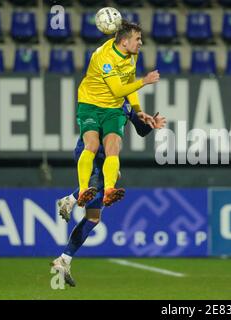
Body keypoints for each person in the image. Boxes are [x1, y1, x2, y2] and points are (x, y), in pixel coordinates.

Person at [51, 104, 167, 287]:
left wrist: (150, 125)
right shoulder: (101, 97)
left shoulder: (126, 105)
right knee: (107, 177)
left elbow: (140, 129)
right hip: (89, 152)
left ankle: (64, 259)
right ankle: (69, 200)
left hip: (105, 159)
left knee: (93, 218)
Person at [76, 19, 159, 209]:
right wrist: (144, 81)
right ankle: (82, 191)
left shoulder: (131, 55)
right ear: (124, 42)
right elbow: (117, 90)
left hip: (113, 109)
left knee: (113, 145)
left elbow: (128, 82)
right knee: (92, 144)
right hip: (90, 105)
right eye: (137, 39)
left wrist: (138, 111)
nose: (140, 43)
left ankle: (109, 190)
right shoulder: (105, 58)